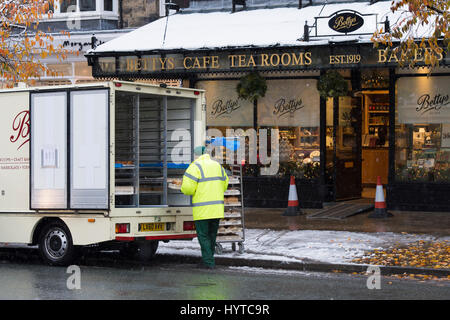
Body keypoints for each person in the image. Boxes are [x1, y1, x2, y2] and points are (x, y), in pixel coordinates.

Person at [181, 146, 229, 269]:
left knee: (203, 236)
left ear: (195, 155)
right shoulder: (218, 166)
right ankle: (208, 259)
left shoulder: (195, 166)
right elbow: (225, 185)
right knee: (212, 235)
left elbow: (187, 189)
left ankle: (208, 262)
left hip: (202, 210)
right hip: (217, 209)